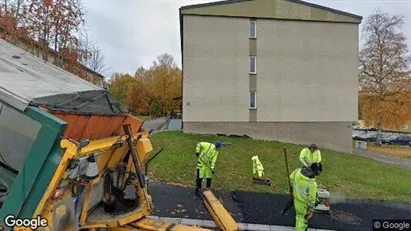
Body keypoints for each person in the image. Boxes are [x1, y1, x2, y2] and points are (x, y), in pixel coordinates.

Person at [289, 162, 323, 231]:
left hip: (296, 200)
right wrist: (310, 211)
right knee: (302, 220)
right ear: (317, 172)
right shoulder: (312, 184)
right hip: (304, 205)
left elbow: (291, 178)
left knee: (298, 217)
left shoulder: (297, 171)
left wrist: (291, 190)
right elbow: (312, 200)